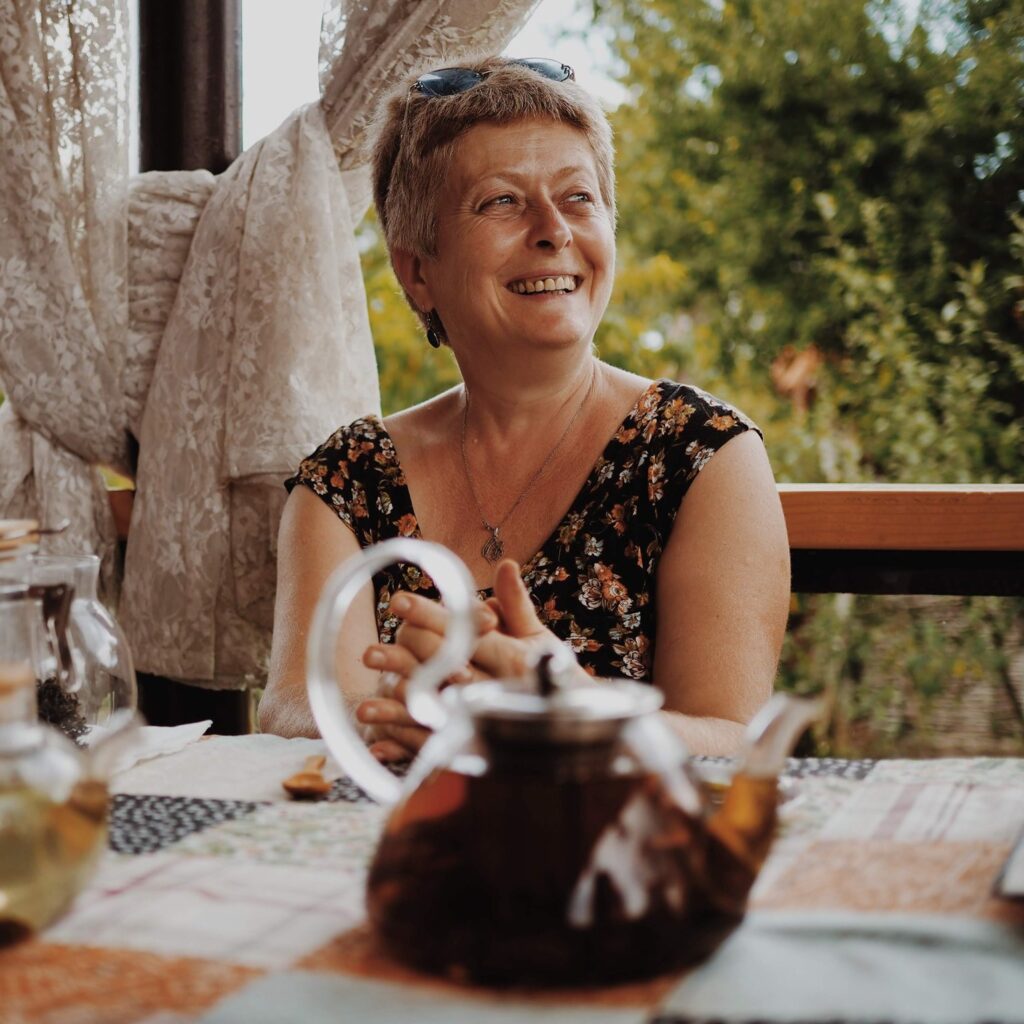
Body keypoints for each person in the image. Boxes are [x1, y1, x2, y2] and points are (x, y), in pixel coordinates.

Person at [258, 56, 790, 757]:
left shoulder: (702, 453)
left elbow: (733, 738)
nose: (554, 230)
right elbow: (295, 705)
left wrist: (567, 714)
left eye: (578, 197)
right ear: (417, 271)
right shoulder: (350, 475)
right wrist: (417, 715)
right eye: (502, 202)